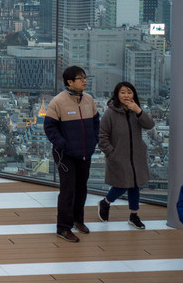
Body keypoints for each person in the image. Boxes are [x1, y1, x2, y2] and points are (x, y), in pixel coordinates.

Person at [44, 65, 100, 243]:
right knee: (68, 190)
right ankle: (63, 227)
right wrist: (63, 145)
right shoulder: (58, 102)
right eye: (80, 78)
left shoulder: (89, 100)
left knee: (82, 188)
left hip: (85, 152)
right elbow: (49, 127)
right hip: (65, 154)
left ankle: (78, 220)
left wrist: (94, 140)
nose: (84, 81)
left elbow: (96, 123)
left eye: (85, 77)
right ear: (69, 82)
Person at [97, 81, 154, 230]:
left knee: (135, 184)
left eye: (129, 92)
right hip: (119, 156)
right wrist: (112, 153)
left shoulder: (136, 110)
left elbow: (150, 125)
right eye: (123, 92)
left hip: (136, 156)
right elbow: (102, 137)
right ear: (117, 94)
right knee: (122, 185)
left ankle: (133, 215)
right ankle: (106, 202)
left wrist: (138, 111)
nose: (126, 95)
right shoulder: (110, 112)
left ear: (133, 94)